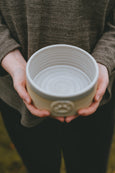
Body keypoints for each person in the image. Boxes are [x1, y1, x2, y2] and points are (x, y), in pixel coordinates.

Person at [0, 0, 115, 173]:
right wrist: (11, 59)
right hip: (18, 95)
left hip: (95, 93)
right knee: (39, 167)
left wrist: (104, 60)